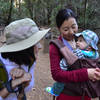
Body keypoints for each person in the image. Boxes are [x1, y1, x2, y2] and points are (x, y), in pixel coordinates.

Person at [49, 8, 100, 100]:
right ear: (59, 29)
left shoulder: (83, 39)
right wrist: (86, 74)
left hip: (86, 94)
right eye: (66, 29)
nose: (71, 32)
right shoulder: (56, 46)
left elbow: (93, 60)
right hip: (67, 95)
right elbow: (57, 74)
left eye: (74, 27)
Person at [0, 18, 50, 100]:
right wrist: (12, 85)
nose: (40, 47)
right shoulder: (1, 65)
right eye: (36, 43)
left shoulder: (29, 61)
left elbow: (27, 88)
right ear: (23, 50)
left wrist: (25, 78)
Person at [46, 29, 99, 96]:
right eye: (77, 40)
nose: (77, 42)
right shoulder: (95, 55)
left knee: (61, 81)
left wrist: (62, 65)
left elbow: (66, 61)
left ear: (89, 47)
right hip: (86, 89)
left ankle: (55, 91)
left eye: (81, 41)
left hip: (72, 87)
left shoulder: (78, 53)